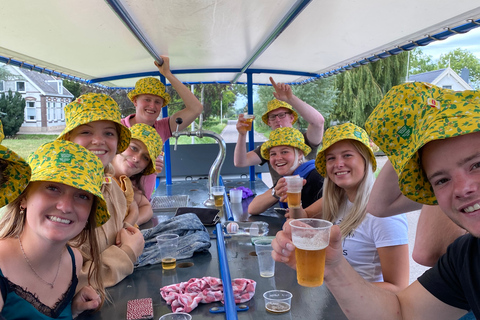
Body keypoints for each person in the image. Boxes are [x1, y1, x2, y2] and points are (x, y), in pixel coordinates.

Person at [275, 82, 480, 319]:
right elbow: (401, 313)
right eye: (441, 180)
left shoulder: (385, 220)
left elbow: (399, 285)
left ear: (366, 161)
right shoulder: (466, 258)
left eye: (477, 165)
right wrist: (329, 269)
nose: (463, 189)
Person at [273, 123, 409, 291]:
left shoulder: (384, 215)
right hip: (329, 296)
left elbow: (398, 287)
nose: (338, 164)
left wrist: (340, 287)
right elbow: (301, 220)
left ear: (365, 160)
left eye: (347, 155)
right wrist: (294, 197)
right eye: (331, 158)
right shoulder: (338, 199)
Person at [0, 139, 108, 319]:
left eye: (82, 196)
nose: (65, 207)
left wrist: (71, 312)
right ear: (23, 198)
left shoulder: (74, 260)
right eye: (52, 188)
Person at [57, 93, 145, 290]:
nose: (98, 141)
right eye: (86, 132)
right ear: (69, 139)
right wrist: (127, 253)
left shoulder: (113, 186)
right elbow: (61, 284)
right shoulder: (60, 197)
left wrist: (127, 232)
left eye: (108, 133)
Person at [122, 56, 204, 200]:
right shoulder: (118, 128)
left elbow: (196, 108)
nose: (152, 106)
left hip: (143, 203)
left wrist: (168, 75)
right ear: (135, 101)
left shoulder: (162, 128)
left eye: (157, 102)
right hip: (118, 202)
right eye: (147, 99)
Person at [234, 77, 325, 186]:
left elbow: (319, 122)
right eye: (272, 117)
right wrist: (242, 134)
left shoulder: (306, 140)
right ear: (268, 122)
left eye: (282, 115)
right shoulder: (270, 147)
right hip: (280, 199)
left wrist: (290, 98)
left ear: (292, 118)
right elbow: (240, 162)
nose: (277, 119)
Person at [248, 127, 324, 215]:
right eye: (273, 154)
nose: (278, 158)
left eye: (284, 152)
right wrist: (276, 193)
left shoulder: (317, 176)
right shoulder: (289, 178)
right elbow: (252, 208)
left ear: (299, 154)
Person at [111, 123, 163, 226]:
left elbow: (146, 207)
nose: (137, 158)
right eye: (134, 148)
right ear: (120, 145)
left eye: (145, 157)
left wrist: (131, 223)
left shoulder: (126, 184)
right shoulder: (97, 176)